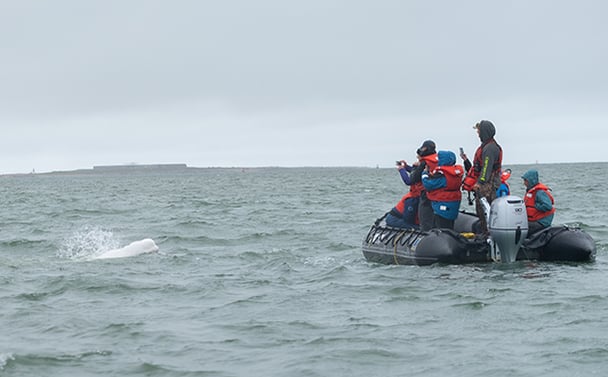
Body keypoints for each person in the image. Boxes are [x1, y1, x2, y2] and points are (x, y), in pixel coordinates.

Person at [462, 120, 502, 232]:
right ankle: (485, 233)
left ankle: (488, 234)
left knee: (486, 210)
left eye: (479, 131)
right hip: (486, 183)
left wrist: (480, 182)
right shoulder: (487, 146)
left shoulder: (490, 148)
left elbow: (486, 167)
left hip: (488, 185)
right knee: (481, 211)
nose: (478, 134)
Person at [421, 150, 464, 230]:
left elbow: (429, 185)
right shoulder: (456, 174)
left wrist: (424, 174)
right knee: (449, 226)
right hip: (453, 203)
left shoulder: (443, 176)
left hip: (442, 205)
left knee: (441, 228)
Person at [385, 159, 424, 229]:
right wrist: (405, 167)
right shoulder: (412, 199)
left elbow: (410, 180)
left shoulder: (422, 176)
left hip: (413, 200)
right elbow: (413, 176)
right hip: (395, 217)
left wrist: (402, 169)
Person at [415, 140, 439, 231]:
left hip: (426, 193)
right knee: (436, 220)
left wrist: (415, 167)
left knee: (425, 220)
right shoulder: (439, 160)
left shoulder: (425, 162)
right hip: (439, 193)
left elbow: (413, 178)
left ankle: (426, 236)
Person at [522, 169, 555, 234]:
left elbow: (548, 206)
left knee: (521, 227)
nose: (524, 183)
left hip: (542, 222)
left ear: (531, 180)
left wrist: (536, 206)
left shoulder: (540, 192)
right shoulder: (531, 191)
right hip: (534, 220)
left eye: (526, 181)